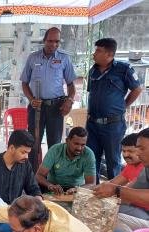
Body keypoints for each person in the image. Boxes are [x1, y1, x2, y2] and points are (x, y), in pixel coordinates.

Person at [20, 27, 77, 171]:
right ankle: (31, 175)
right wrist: (31, 99)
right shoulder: (33, 58)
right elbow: (24, 83)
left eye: (57, 41)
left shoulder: (64, 58)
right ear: (44, 40)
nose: (54, 44)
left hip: (55, 107)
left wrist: (69, 100)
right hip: (36, 107)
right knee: (33, 143)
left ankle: (52, 176)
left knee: (55, 145)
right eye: (50, 41)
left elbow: (71, 85)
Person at [86, 38, 142, 181]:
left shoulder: (124, 69)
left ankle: (115, 193)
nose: (94, 54)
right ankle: (94, 190)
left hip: (113, 124)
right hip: (92, 123)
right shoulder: (93, 70)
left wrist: (124, 106)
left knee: (113, 161)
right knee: (92, 159)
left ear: (109, 54)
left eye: (98, 51)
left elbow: (137, 89)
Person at [94, 127, 149, 220]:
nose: (126, 155)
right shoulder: (142, 168)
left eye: (141, 149)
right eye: (123, 151)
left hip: (143, 212)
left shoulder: (143, 167)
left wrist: (115, 191)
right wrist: (84, 191)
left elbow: (120, 191)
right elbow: (114, 184)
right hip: (134, 207)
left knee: (108, 213)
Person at [0, 130, 41, 205]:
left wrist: (38, 200)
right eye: (23, 152)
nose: (26, 157)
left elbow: (33, 189)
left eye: (28, 153)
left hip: (15, 211)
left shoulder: (25, 165)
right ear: (11, 148)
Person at [36, 127, 96, 194]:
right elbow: (39, 176)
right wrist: (50, 185)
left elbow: (91, 183)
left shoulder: (88, 154)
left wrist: (76, 189)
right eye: (76, 144)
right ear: (67, 141)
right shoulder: (55, 150)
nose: (79, 148)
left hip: (77, 190)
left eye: (83, 145)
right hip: (54, 188)